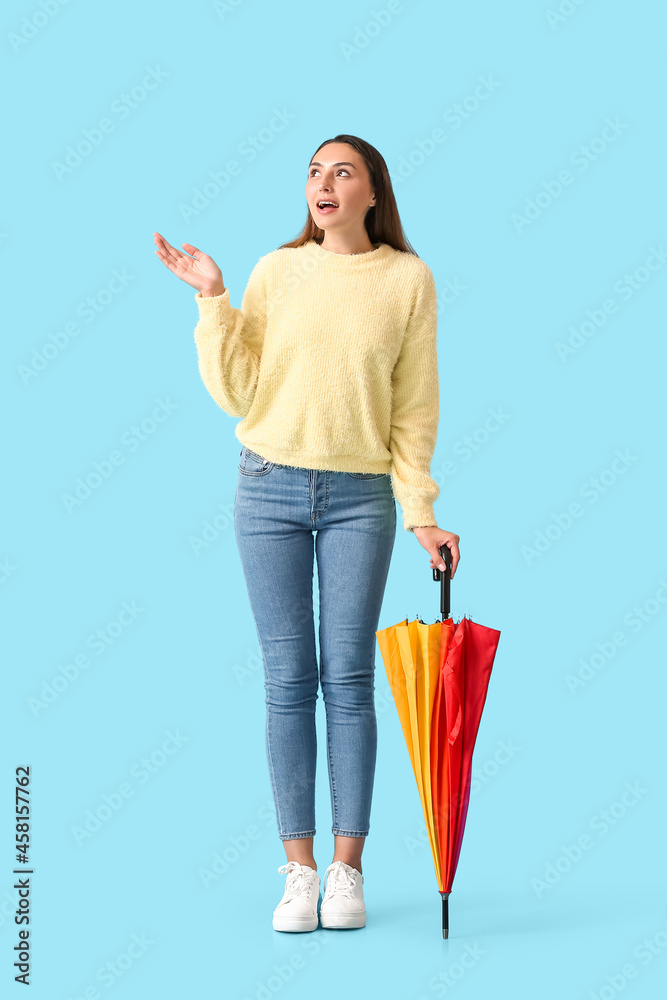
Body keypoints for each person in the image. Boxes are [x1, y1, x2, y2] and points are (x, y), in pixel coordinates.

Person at [153, 133, 460, 933]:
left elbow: (413, 408)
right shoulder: (275, 271)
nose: (323, 184)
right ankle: (296, 871)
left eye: (342, 172)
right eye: (315, 173)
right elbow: (238, 391)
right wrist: (212, 299)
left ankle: (346, 873)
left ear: (371, 192)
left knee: (348, 679)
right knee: (287, 680)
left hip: (362, 497)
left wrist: (420, 511)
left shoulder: (407, 280)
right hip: (267, 487)